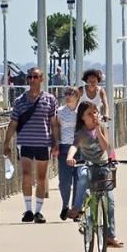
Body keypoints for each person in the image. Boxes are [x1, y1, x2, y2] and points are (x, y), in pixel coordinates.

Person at [1, 66, 61, 223]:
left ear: (42, 79)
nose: (32, 80)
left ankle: (38, 211)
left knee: (41, 178)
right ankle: (28, 210)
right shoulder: (19, 101)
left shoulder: (50, 99)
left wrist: (56, 142)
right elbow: (13, 123)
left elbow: (54, 123)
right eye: (30, 77)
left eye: (35, 77)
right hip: (25, 142)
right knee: (26, 176)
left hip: (43, 142)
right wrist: (6, 143)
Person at [68, 100, 124, 248]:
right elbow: (74, 146)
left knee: (110, 202)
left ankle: (110, 236)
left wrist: (99, 129)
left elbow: (106, 147)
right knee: (83, 176)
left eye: (95, 112)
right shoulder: (80, 133)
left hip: (103, 165)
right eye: (89, 113)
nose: (93, 115)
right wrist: (70, 157)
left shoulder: (102, 127)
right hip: (87, 164)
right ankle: (77, 207)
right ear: (82, 117)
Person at [55, 87, 81, 220]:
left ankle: (76, 209)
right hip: (64, 148)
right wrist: (56, 144)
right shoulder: (59, 111)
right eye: (66, 94)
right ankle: (65, 205)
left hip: (80, 149)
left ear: (77, 96)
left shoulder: (82, 111)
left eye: (71, 94)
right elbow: (56, 128)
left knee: (79, 180)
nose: (68, 96)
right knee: (64, 182)